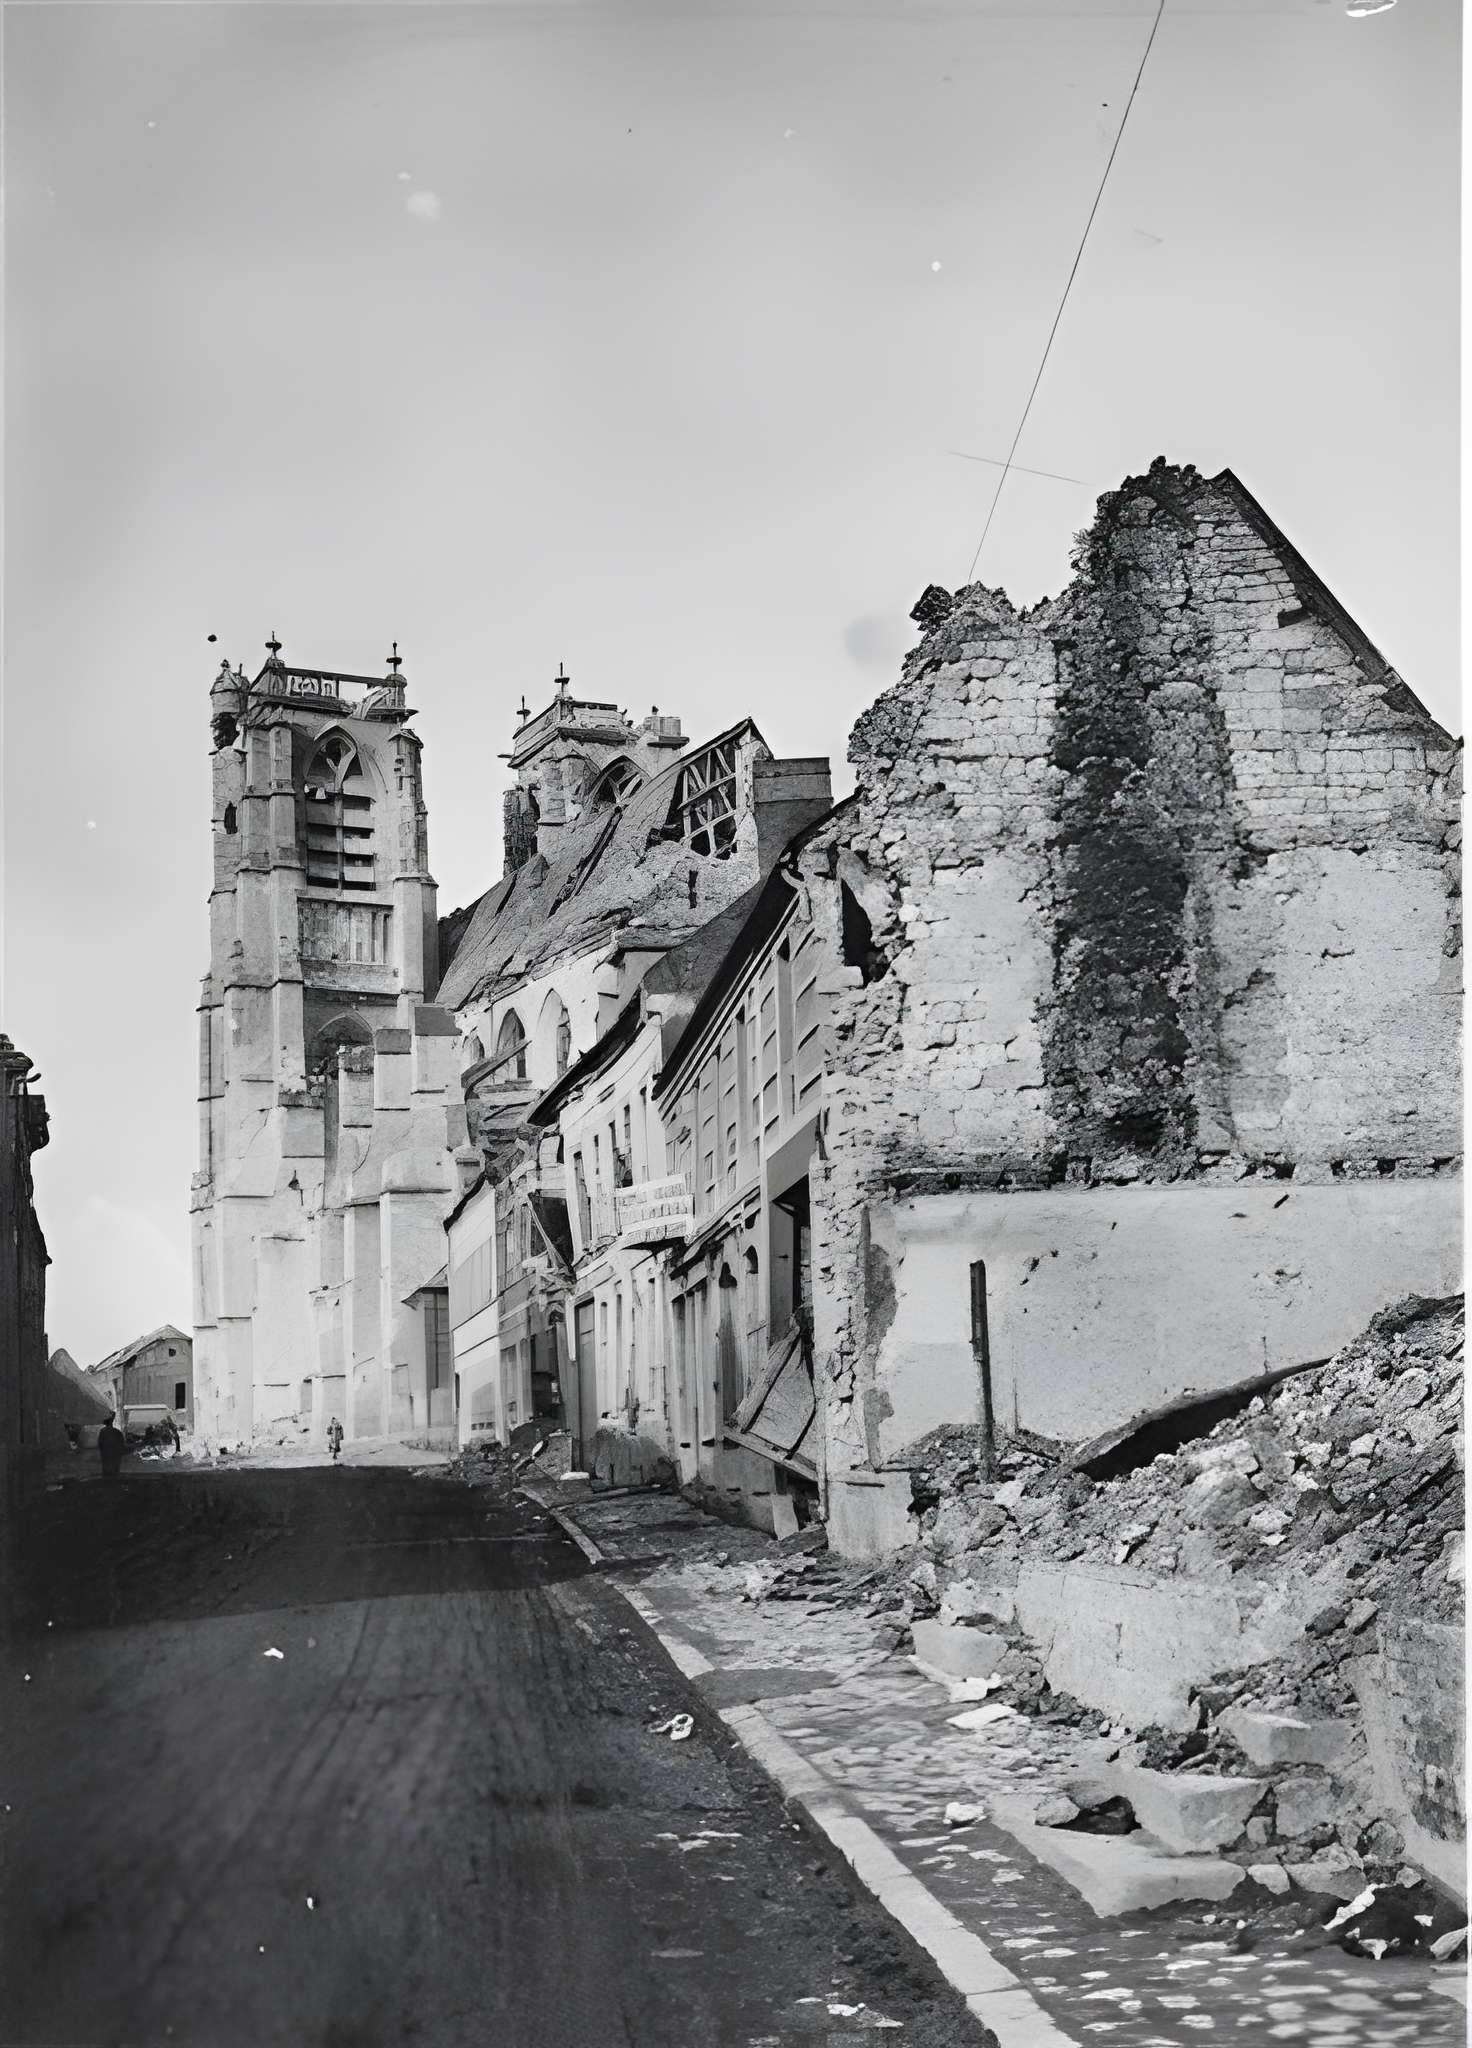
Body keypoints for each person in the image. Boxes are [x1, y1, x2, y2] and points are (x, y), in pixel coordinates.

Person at [97, 1414, 126, 1482]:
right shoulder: (117, 1432)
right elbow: (122, 1443)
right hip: (115, 1454)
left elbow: (100, 1443)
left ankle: (106, 1481)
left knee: (106, 1468)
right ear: (112, 1422)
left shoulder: (102, 1431)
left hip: (105, 1453)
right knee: (115, 1469)